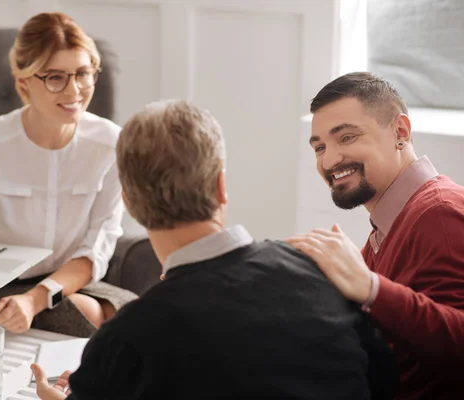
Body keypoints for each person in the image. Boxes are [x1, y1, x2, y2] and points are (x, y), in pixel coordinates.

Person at [31, 99, 398, 399]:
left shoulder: (125, 340)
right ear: (221, 186)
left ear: (130, 203)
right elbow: (384, 379)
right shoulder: (325, 268)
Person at [0, 12, 137, 338]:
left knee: (140, 319)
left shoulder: (110, 145)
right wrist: (21, 300)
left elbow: (94, 251)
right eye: (55, 77)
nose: (74, 90)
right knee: (85, 319)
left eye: (83, 74)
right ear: (23, 82)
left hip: (68, 283)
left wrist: (35, 300)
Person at [287, 72, 464, 399]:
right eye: (319, 147)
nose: (329, 160)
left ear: (400, 132)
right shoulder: (386, 232)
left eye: (347, 138)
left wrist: (371, 288)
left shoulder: (438, 213)